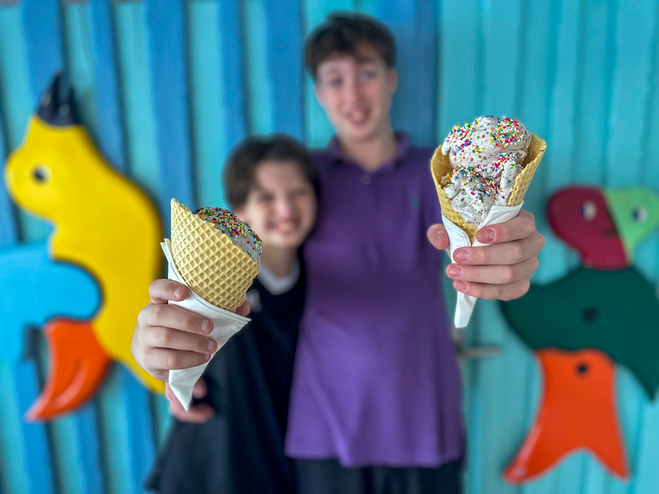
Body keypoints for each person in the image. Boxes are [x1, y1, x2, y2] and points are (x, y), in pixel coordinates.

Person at [284, 14, 545, 494]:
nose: (353, 95)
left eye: (366, 73)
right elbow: (260, 271)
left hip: (422, 414)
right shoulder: (297, 182)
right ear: (318, 93)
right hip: (325, 419)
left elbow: (491, 232)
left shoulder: (443, 171)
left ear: (391, 79)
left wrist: (511, 252)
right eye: (334, 80)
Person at [134, 135, 318, 493]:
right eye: (265, 197)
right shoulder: (210, 284)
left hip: (285, 470)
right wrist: (150, 351)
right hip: (210, 466)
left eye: (297, 192)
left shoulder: (322, 280)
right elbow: (161, 332)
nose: (286, 208)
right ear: (241, 211)